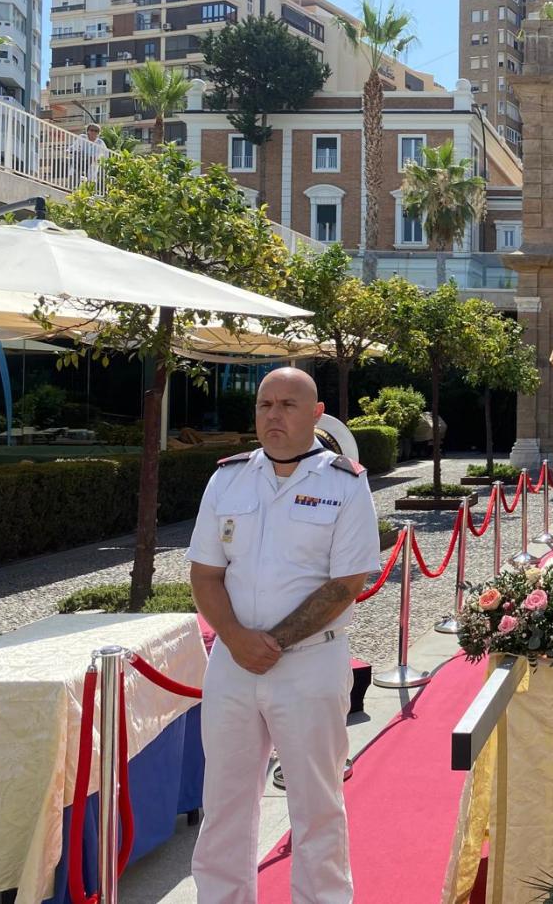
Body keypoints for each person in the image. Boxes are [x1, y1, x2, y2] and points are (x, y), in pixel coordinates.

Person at [188, 368, 379, 904]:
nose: (274, 415)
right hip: (232, 663)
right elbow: (205, 574)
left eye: (288, 405)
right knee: (224, 803)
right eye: (265, 404)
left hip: (310, 665)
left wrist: (270, 642)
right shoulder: (228, 478)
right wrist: (237, 638)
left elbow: (346, 584)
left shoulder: (343, 482)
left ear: (317, 414)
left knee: (316, 804)